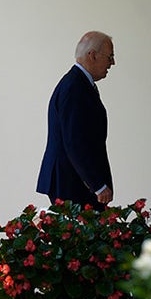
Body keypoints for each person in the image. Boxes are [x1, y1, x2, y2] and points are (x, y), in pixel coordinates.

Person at [36, 31, 116, 207]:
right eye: (110, 57)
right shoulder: (74, 88)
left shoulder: (79, 84)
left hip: (74, 180)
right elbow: (75, 142)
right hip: (72, 183)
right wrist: (98, 185)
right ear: (93, 55)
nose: (113, 63)